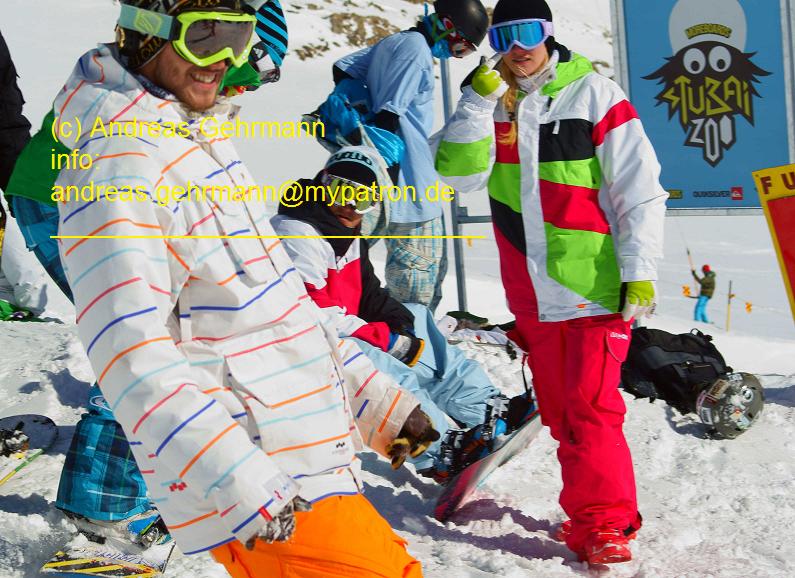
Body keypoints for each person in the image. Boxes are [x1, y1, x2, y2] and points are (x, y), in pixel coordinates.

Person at [49, 1, 436, 575]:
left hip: (307, 458)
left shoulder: (199, 140)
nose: (224, 60)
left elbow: (274, 309)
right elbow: (131, 356)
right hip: (265, 476)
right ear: (145, 32)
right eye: (204, 35)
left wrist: (377, 404)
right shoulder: (121, 167)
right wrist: (249, 489)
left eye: (239, 37)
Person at [3, 0, 292, 551]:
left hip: (63, 192)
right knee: (149, 341)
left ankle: (127, 477)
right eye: (252, 63)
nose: (240, 76)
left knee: (169, 338)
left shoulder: (179, 86)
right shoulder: (141, 100)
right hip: (58, 198)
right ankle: (102, 509)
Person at [434, 0, 668, 565]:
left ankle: (608, 524)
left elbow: (639, 189)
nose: (518, 47)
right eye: (506, 34)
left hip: (592, 283)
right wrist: (475, 101)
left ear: (550, 33)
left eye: (529, 32)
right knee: (562, 410)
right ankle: (586, 514)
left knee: (591, 408)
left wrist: (639, 271)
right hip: (532, 290)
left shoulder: (593, 95)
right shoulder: (493, 101)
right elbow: (458, 174)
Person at [270, 146, 534, 479]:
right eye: (340, 191)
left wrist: (398, 322)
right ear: (322, 184)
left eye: (362, 199)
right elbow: (308, 312)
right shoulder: (297, 233)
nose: (349, 205)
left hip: (340, 333)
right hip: (304, 350)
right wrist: (382, 338)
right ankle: (437, 452)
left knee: (419, 319)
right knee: (383, 366)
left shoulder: (345, 230)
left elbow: (368, 293)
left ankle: (484, 408)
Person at [330, 0, 489, 312]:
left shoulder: (395, 41)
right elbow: (391, 116)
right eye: (461, 48)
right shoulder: (416, 51)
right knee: (417, 302)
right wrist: (385, 179)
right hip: (411, 191)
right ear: (446, 27)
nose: (458, 56)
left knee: (341, 268)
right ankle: (410, 355)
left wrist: (359, 105)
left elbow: (343, 67)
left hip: (378, 183)